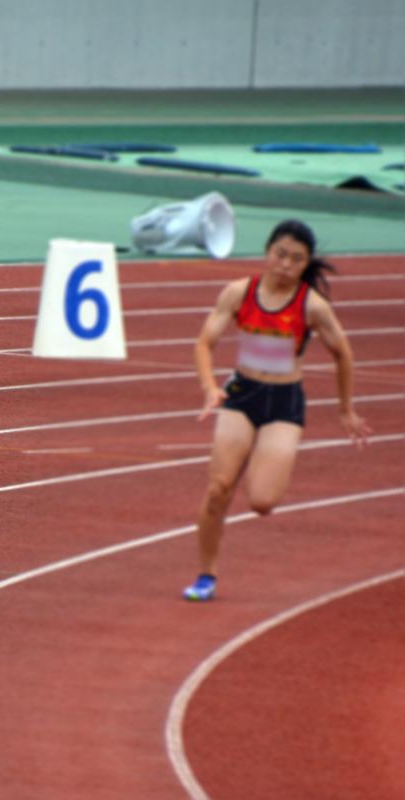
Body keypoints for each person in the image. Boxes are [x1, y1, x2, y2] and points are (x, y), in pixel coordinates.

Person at [183, 219, 372, 602]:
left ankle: (262, 454)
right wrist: (209, 388)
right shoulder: (239, 292)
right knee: (219, 488)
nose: (285, 264)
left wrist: (346, 409)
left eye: (296, 259)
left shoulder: (311, 306)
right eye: (280, 254)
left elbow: (343, 353)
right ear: (268, 252)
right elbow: (204, 342)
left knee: (262, 502)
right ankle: (206, 574)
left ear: (305, 265)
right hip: (241, 395)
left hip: (284, 403)